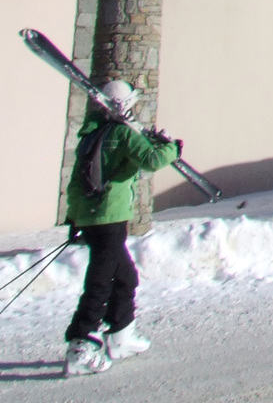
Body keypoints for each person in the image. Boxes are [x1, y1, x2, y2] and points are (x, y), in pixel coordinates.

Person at [62, 79, 182, 377]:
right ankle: (81, 345)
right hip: (110, 218)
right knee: (101, 281)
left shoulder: (91, 134)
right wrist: (171, 148)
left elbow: (77, 182)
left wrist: (76, 219)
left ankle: (121, 335)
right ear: (124, 105)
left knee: (125, 276)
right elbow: (152, 160)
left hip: (92, 218)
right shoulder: (122, 134)